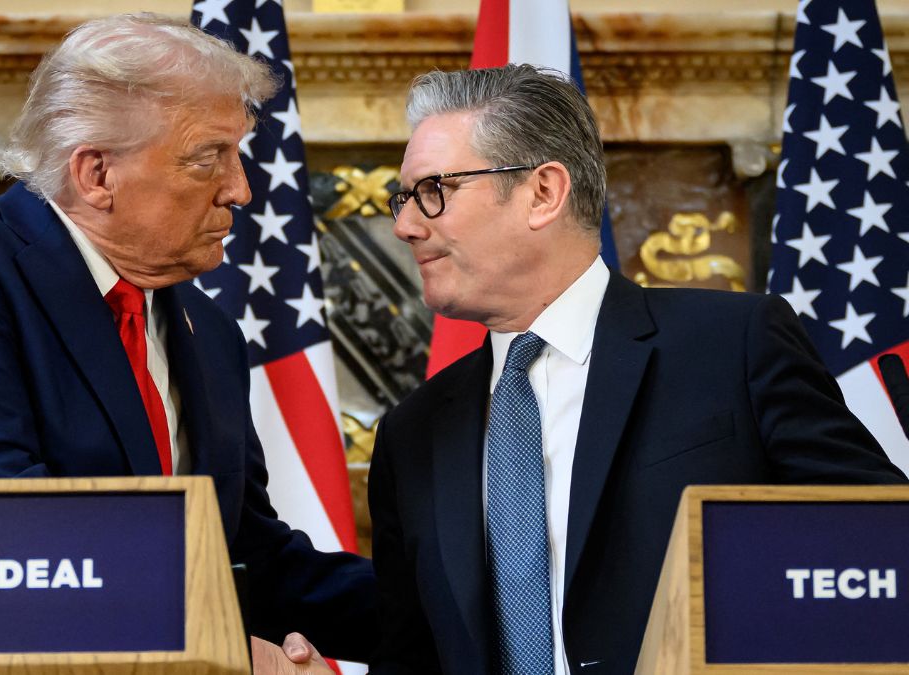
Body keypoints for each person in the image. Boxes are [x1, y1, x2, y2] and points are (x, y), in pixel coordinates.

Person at [0, 14, 374, 665]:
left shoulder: (211, 333)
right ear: (96, 175)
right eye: (210, 159)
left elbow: (244, 556)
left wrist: (480, 609)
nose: (241, 189)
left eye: (239, 155)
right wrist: (220, 647)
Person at [366, 64, 906, 675]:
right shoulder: (412, 434)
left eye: (435, 190)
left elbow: (874, 558)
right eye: (403, 198)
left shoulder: (733, 346)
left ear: (543, 192)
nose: (406, 225)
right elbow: (409, 655)